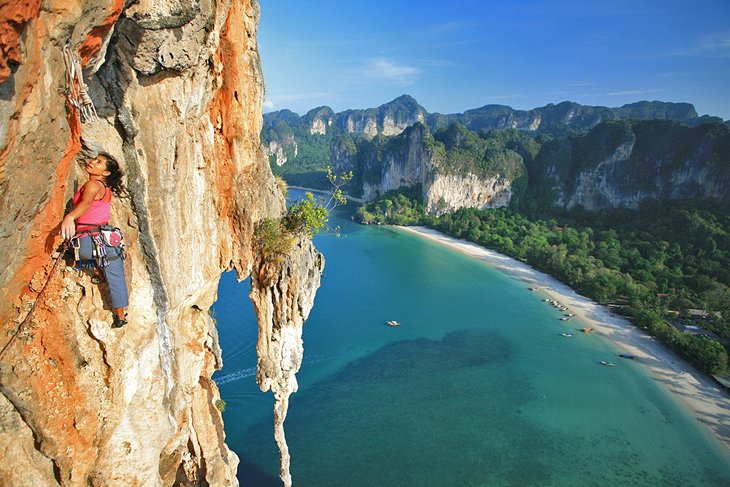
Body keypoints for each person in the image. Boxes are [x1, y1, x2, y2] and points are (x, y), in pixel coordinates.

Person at [61, 153, 129, 328]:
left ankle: (98, 272)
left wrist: (70, 217)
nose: (92, 162)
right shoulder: (105, 189)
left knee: (74, 255)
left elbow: (86, 204)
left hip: (86, 241)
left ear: (105, 173)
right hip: (104, 238)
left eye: (98, 163)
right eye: (95, 160)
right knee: (116, 273)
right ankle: (120, 316)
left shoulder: (92, 184)